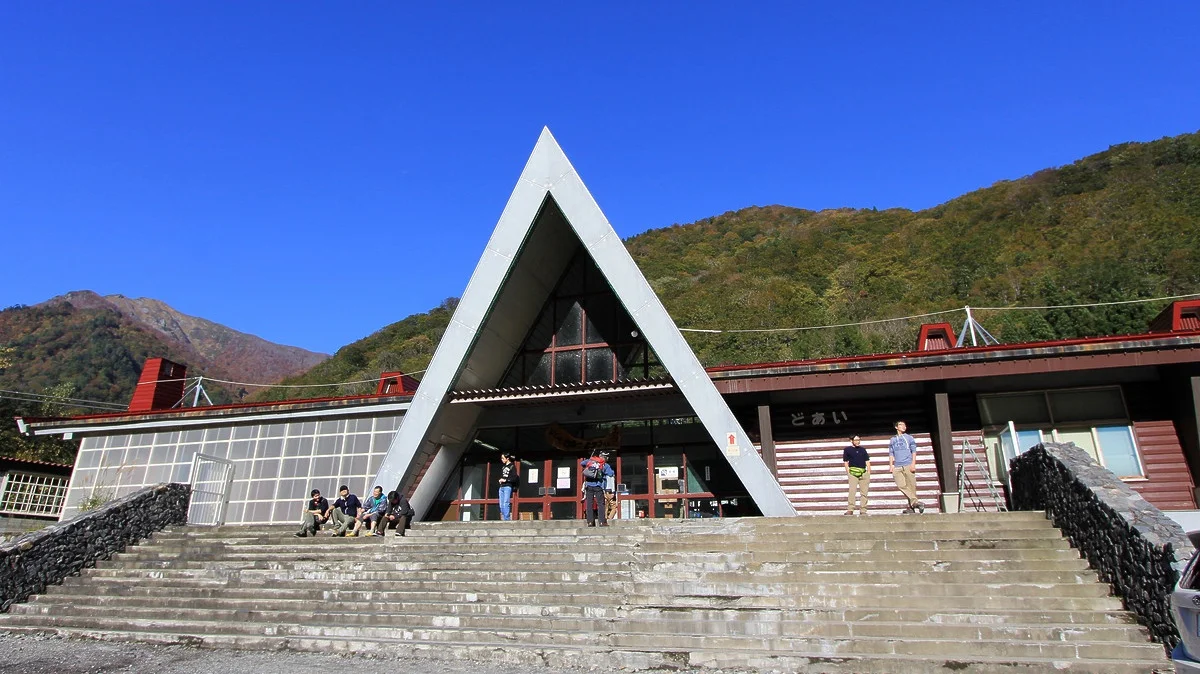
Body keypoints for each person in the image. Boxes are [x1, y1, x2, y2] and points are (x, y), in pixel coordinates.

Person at [888, 420, 924, 514]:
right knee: (901, 485)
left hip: (908, 464)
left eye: (904, 425)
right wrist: (891, 465)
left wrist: (913, 464)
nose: (903, 426)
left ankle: (911, 507)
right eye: (901, 425)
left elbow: (914, 451)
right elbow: (891, 453)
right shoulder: (893, 439)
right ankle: (915, 502)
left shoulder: (909, 438)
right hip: (897, 466)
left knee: (911, 487)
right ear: (896, 427)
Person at [580, 450, 615, 527]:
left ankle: (590, 522)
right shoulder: (605, 465)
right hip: (598, 486)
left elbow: (582, 463)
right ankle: (602, 522)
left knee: (589, 504)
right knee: (601, 504)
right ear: (605, 457)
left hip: (588, 486)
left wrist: (589, 462)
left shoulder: (591, 461)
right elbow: (611, 473)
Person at [842, 436, 870, 516]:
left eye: (859, 440)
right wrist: (848, 472)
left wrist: (868, 471)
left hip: (863, 472)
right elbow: (845, 461)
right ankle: (850, 509)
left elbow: (867, 460)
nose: (858, 441)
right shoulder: (847, 450)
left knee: (864, 492)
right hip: (853, 472)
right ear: (851, 440)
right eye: (856, 440)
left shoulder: (863, 449)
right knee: (852, 491)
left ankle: (863, 509)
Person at [497, 452, 519, 521]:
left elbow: (514, 477)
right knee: (501, 504)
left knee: (506, 503)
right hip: (501, 487)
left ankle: (506, 519)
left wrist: (505, 480)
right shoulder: (503, 467)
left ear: (507, 458)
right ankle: (504, 517)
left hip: (507, 487)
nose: (502, 460)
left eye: (503, 458)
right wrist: (500, 480)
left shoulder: (512, 466)